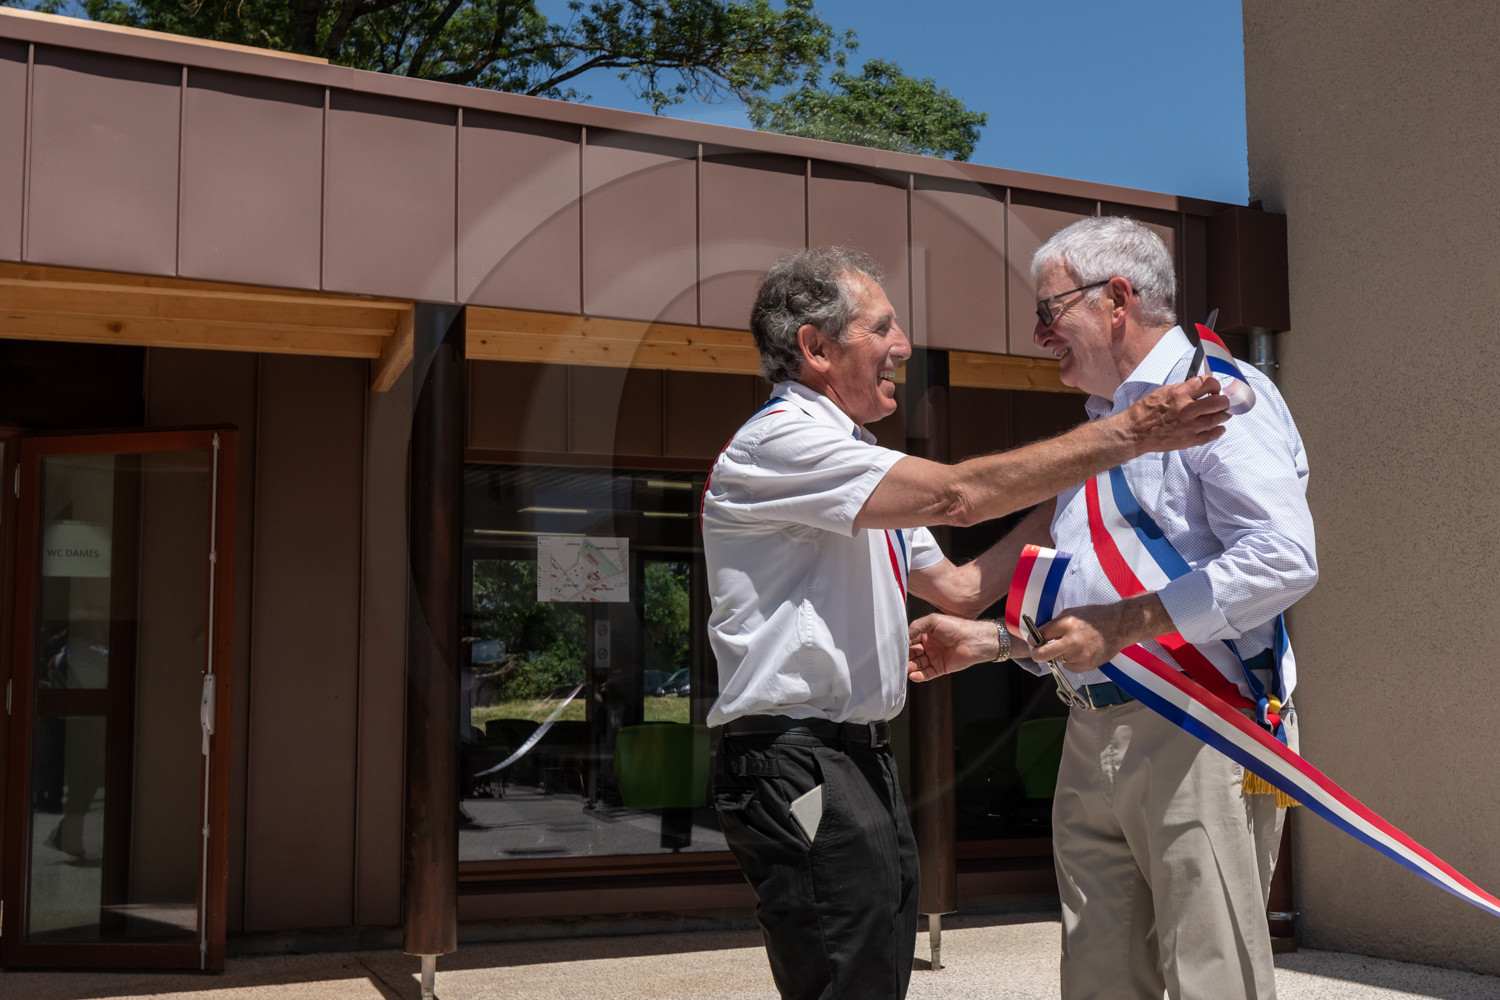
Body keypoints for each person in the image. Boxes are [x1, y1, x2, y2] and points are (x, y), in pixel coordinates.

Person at [703, 245, 1231, 1000]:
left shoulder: (853, 457)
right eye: (881, 327)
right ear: (816, 349)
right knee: (844, 980)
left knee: (872, 972)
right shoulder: (783, 443)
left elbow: (958, 588)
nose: (903, 346)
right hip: (796, 755)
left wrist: (1075, 489)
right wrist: (1130, 430)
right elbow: (958, 495)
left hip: (854, 757)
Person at [907, 217, 1316, 1000]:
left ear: (1116, 299)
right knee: (1096, 980)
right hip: (1093, 728)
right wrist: (995, 644)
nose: (1039, 336)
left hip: (1205, 726)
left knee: (1213, 978)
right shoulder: (1105, 430)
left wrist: (1128, 624)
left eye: (1048, 312)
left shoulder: (1217, 395)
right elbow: (1087, 608)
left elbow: (1285, 558)